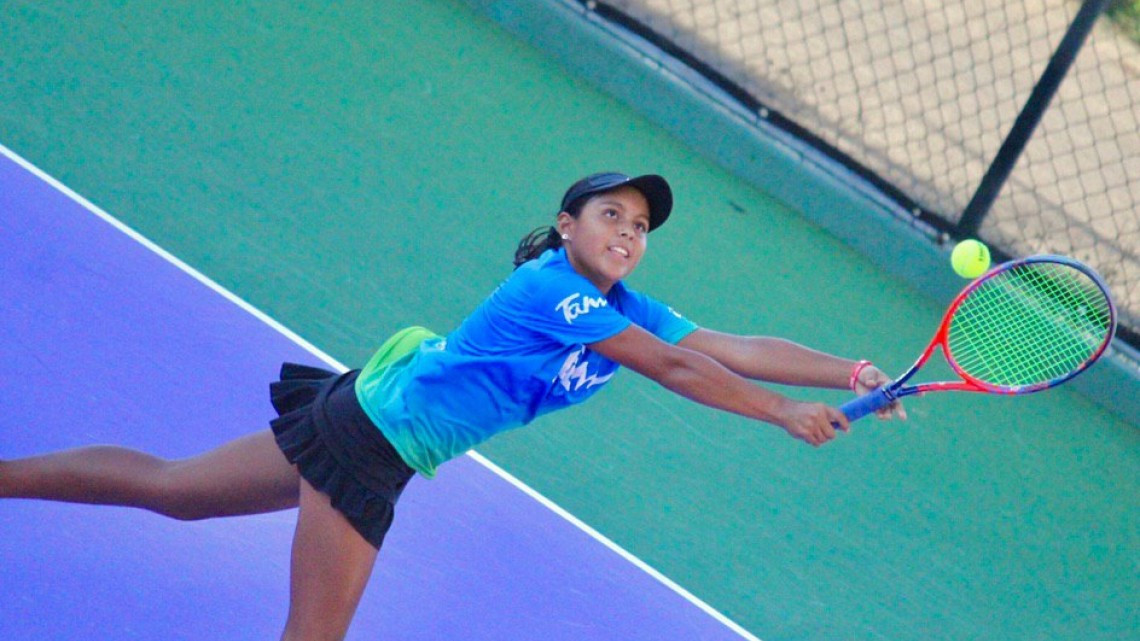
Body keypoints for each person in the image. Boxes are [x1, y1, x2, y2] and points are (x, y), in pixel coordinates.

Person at [0, 171, 904, 641]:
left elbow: (726, 347)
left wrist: (851, 371)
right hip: (373, 437)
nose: (629, 234)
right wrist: (782, 413)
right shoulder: (556, 292)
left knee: (176, 490)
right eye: (612, 216)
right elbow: (674, 370)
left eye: (640, 226)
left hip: (369, 405)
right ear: (567, 225)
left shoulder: (626, 303)